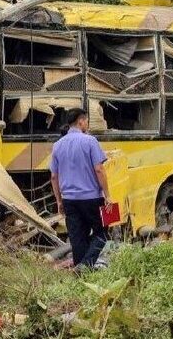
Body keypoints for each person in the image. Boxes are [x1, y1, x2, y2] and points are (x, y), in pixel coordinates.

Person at [49, 108, 112, 270]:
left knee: (77, 237)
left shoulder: (57, 146)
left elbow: (54, 177)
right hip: (92, 198)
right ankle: (85, 265)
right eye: (87, 121)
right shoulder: (90, 141)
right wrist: (107, 195)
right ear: (81, 121)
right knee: (102, 233)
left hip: (70, 200)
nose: (87, 124)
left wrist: (59, 201)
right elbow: (99, 169)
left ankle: (81, 271)